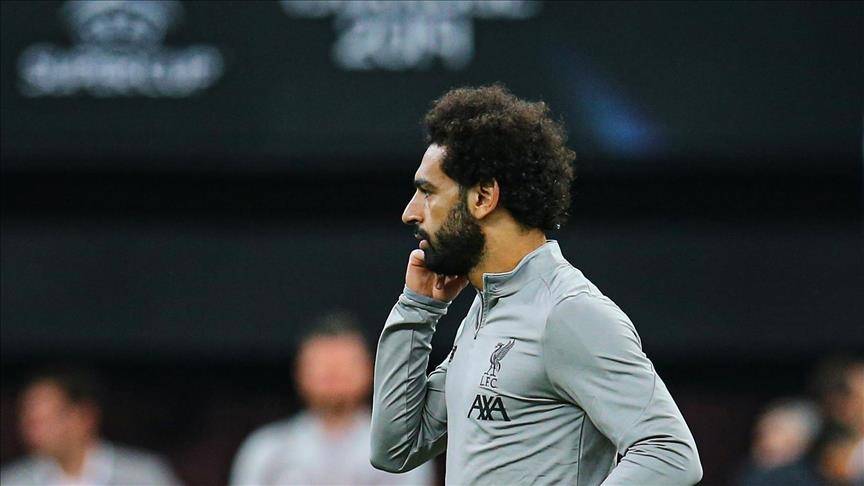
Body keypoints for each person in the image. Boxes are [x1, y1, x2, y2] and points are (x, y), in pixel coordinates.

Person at [369, 84, 702, 485]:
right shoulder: (484, 310)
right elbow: (395, 449)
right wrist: (417, 309)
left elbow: (670, 453)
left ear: (483, 196)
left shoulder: (569, 312)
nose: (410, 212)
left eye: (427, 192)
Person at [230, 312, 433, 485]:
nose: (334, 373)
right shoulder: (266, 451)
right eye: (322, 365)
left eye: (345, 365)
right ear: (300, 372)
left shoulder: (402, 451)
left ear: (371, 370)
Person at [0, 368, 181, 486]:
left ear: (84, 417)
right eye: (29, 421)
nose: (32, 431)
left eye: (46, 421)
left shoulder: (142, 476)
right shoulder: (14, 481)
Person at [736, 399, 822, 486]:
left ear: (797, 442)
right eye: (764, 425)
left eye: (775, 429)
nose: (762, 432)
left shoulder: (798, 479)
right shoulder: (754, 465)